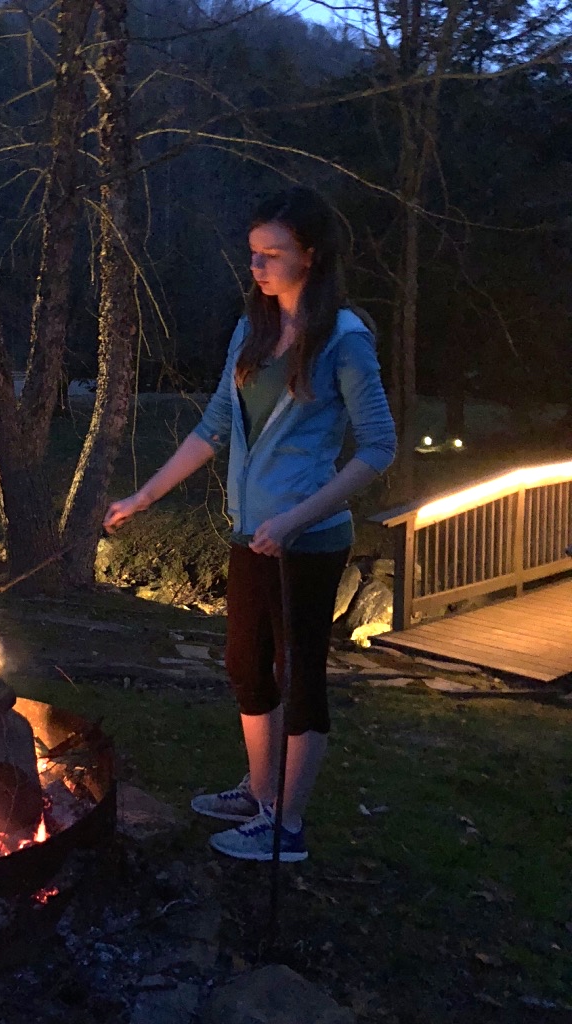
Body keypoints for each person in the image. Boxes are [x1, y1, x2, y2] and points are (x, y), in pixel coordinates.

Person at [103, 186, 396, 862]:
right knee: (244, 665)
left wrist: (297, 517)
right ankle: (260, 793)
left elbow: (379, 447)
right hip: (250, 534)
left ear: (311, 257)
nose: (258, 269)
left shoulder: (343, 340)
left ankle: (285, 826)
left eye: (273, 255)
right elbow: (213, 426)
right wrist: (145, 495)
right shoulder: (254, 329)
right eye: (253, 255)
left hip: (309, 541)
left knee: (300, 675)